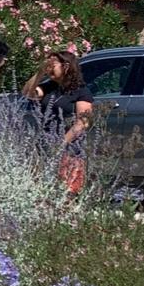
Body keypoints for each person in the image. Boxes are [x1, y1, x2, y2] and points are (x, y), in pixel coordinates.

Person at [24, 46, 95, 192]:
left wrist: (60, 144)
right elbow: (27, 93)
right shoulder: (49, 87)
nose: (49, 69)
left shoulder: (81, 92)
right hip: (44, 147)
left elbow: (83, 122)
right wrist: (40, 72)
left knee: (66, 192)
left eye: (53, 65)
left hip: (69, 150)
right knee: (42, 192)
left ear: (66, 67)